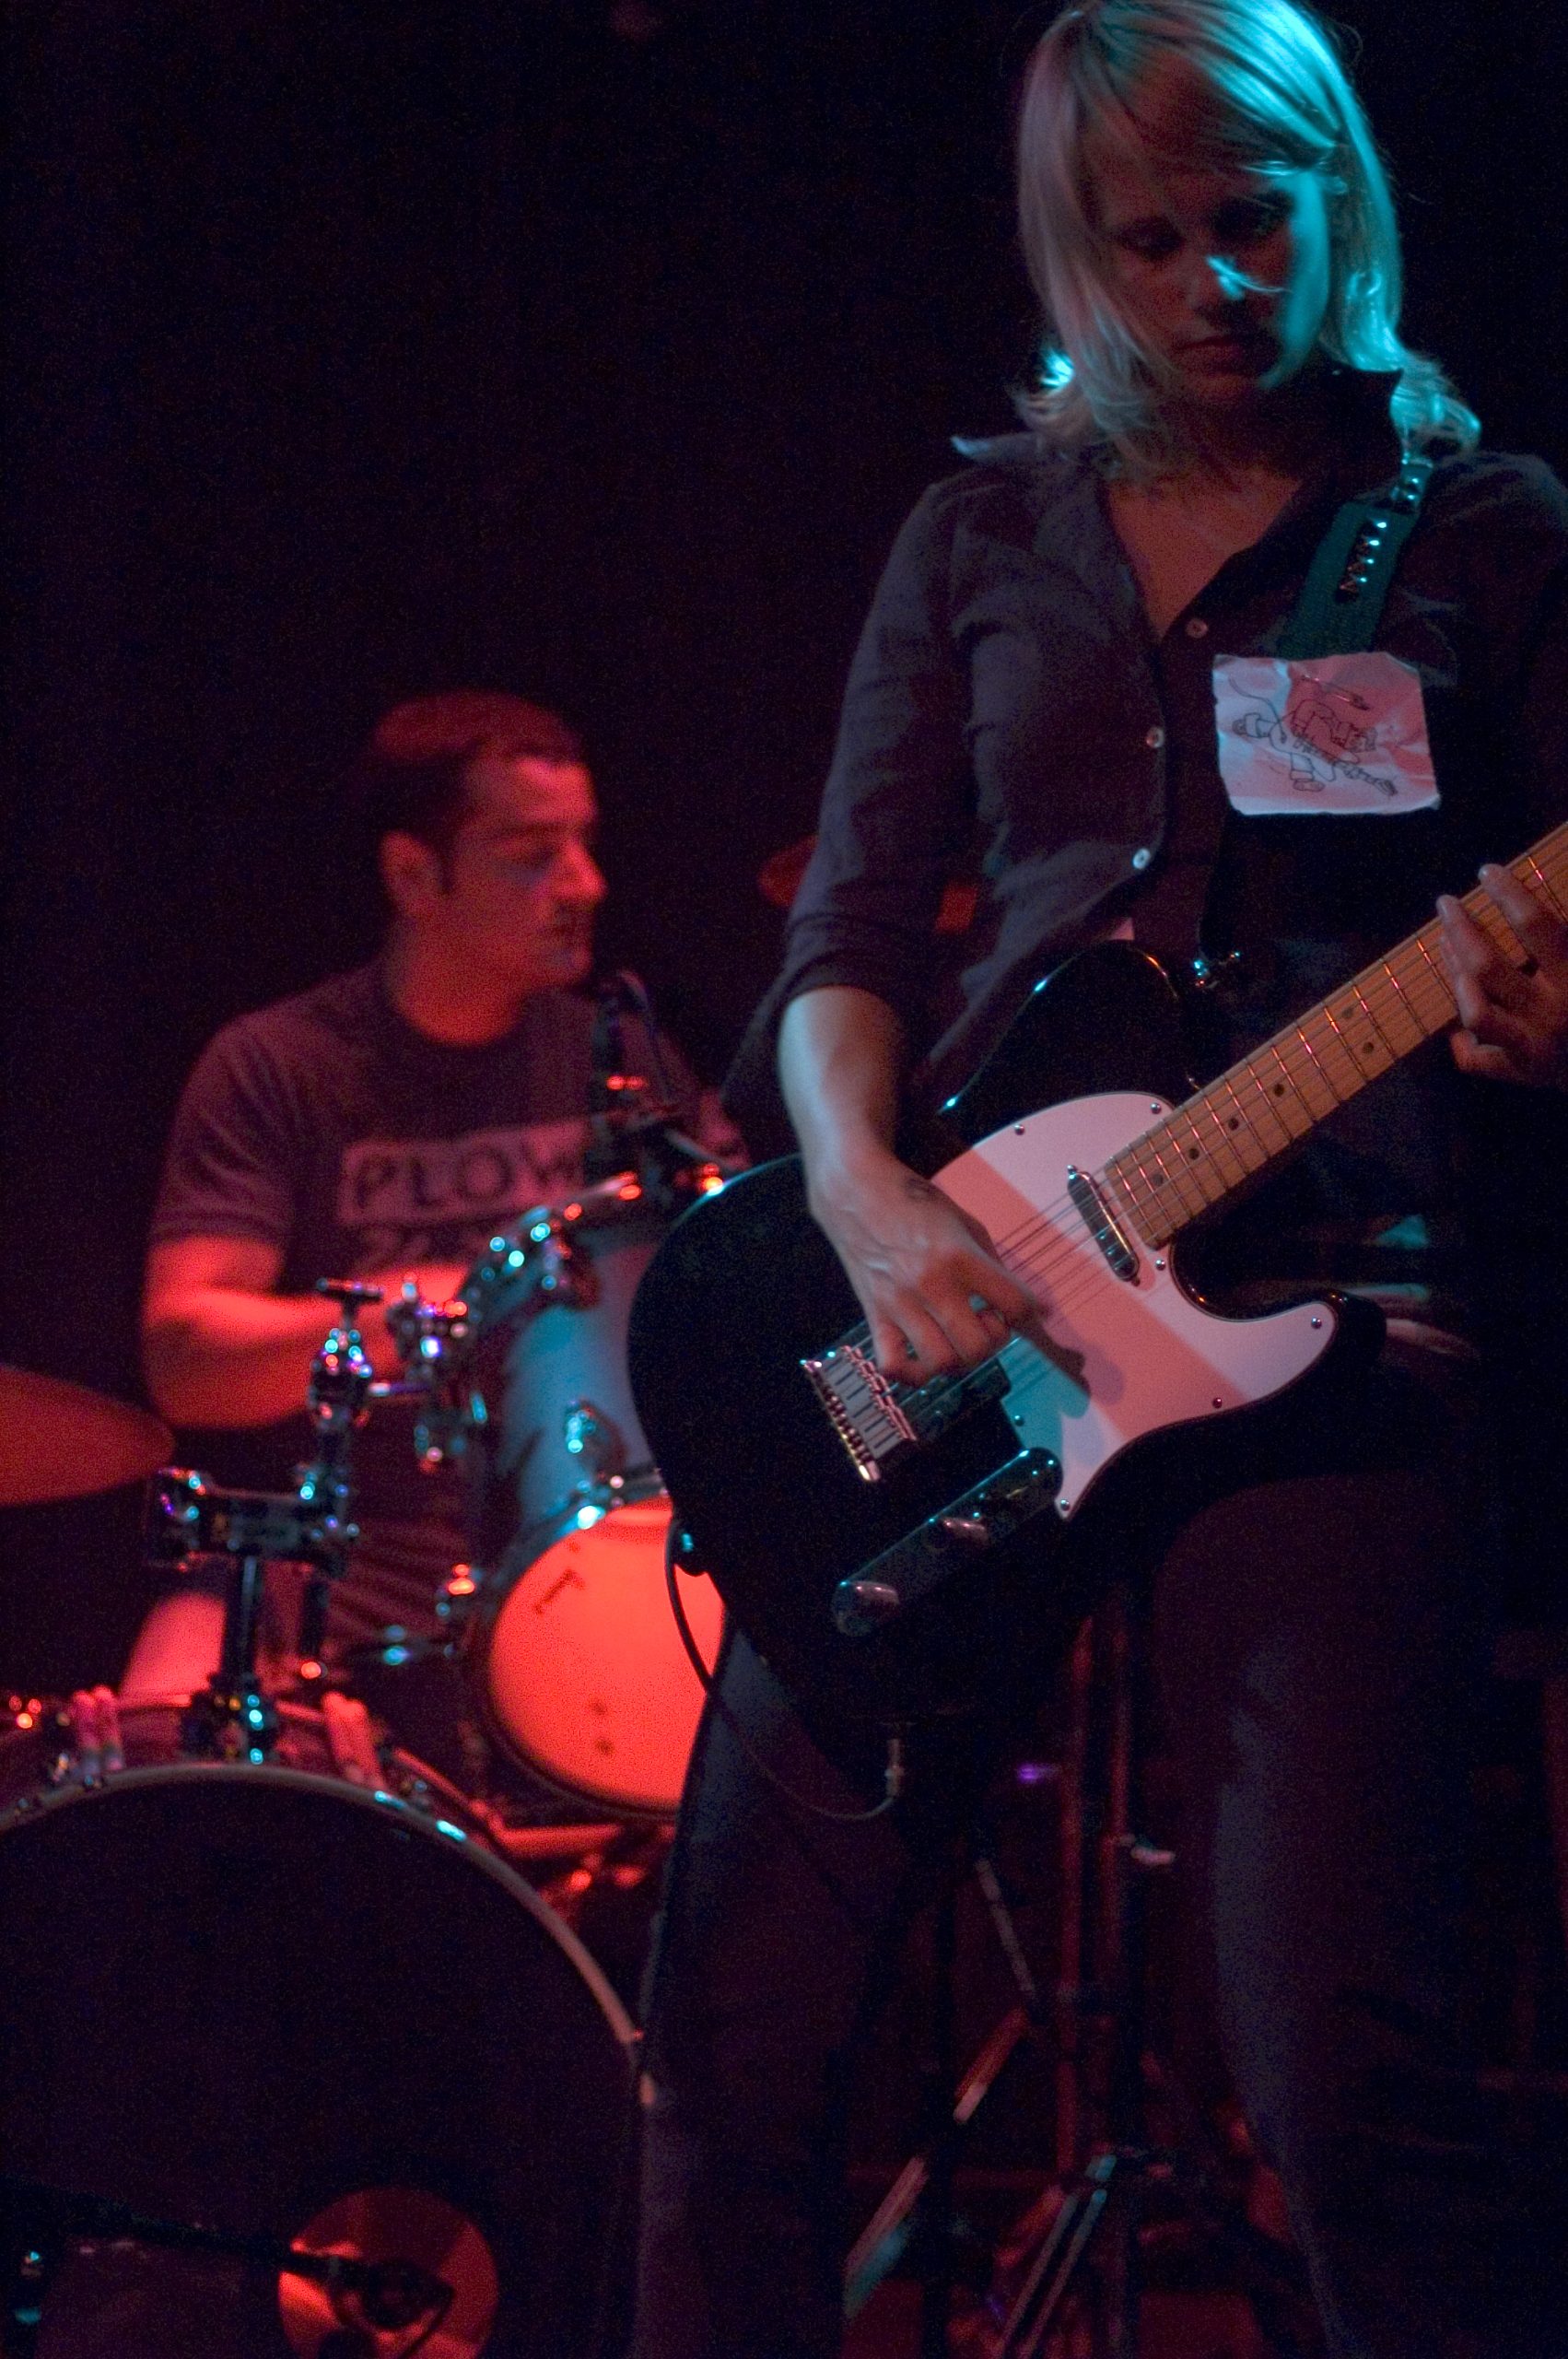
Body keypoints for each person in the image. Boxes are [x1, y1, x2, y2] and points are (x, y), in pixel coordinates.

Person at [632, 5, 1568, 2354]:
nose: (1207, 283)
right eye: (1145, 240)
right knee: (733, 2048)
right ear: (1073, 248)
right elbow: (850, 935)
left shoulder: (1479, 532)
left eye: (1250, 221)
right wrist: (867, 1194)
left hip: (1343, 1312)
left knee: (1348, 2081)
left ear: (1340, 195)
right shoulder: (979, 532)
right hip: (977, 1303)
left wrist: (1540, 1021)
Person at [123, 688, 732, 1706]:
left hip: (602, 1554)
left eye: (583, 844)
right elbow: (187, 1357)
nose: (585, 884)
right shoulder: (277, 1065)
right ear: (414, 875)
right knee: (154, 1739)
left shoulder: (628, 1061)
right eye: (530, 853)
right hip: (337, 1569)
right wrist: (448, 1303)